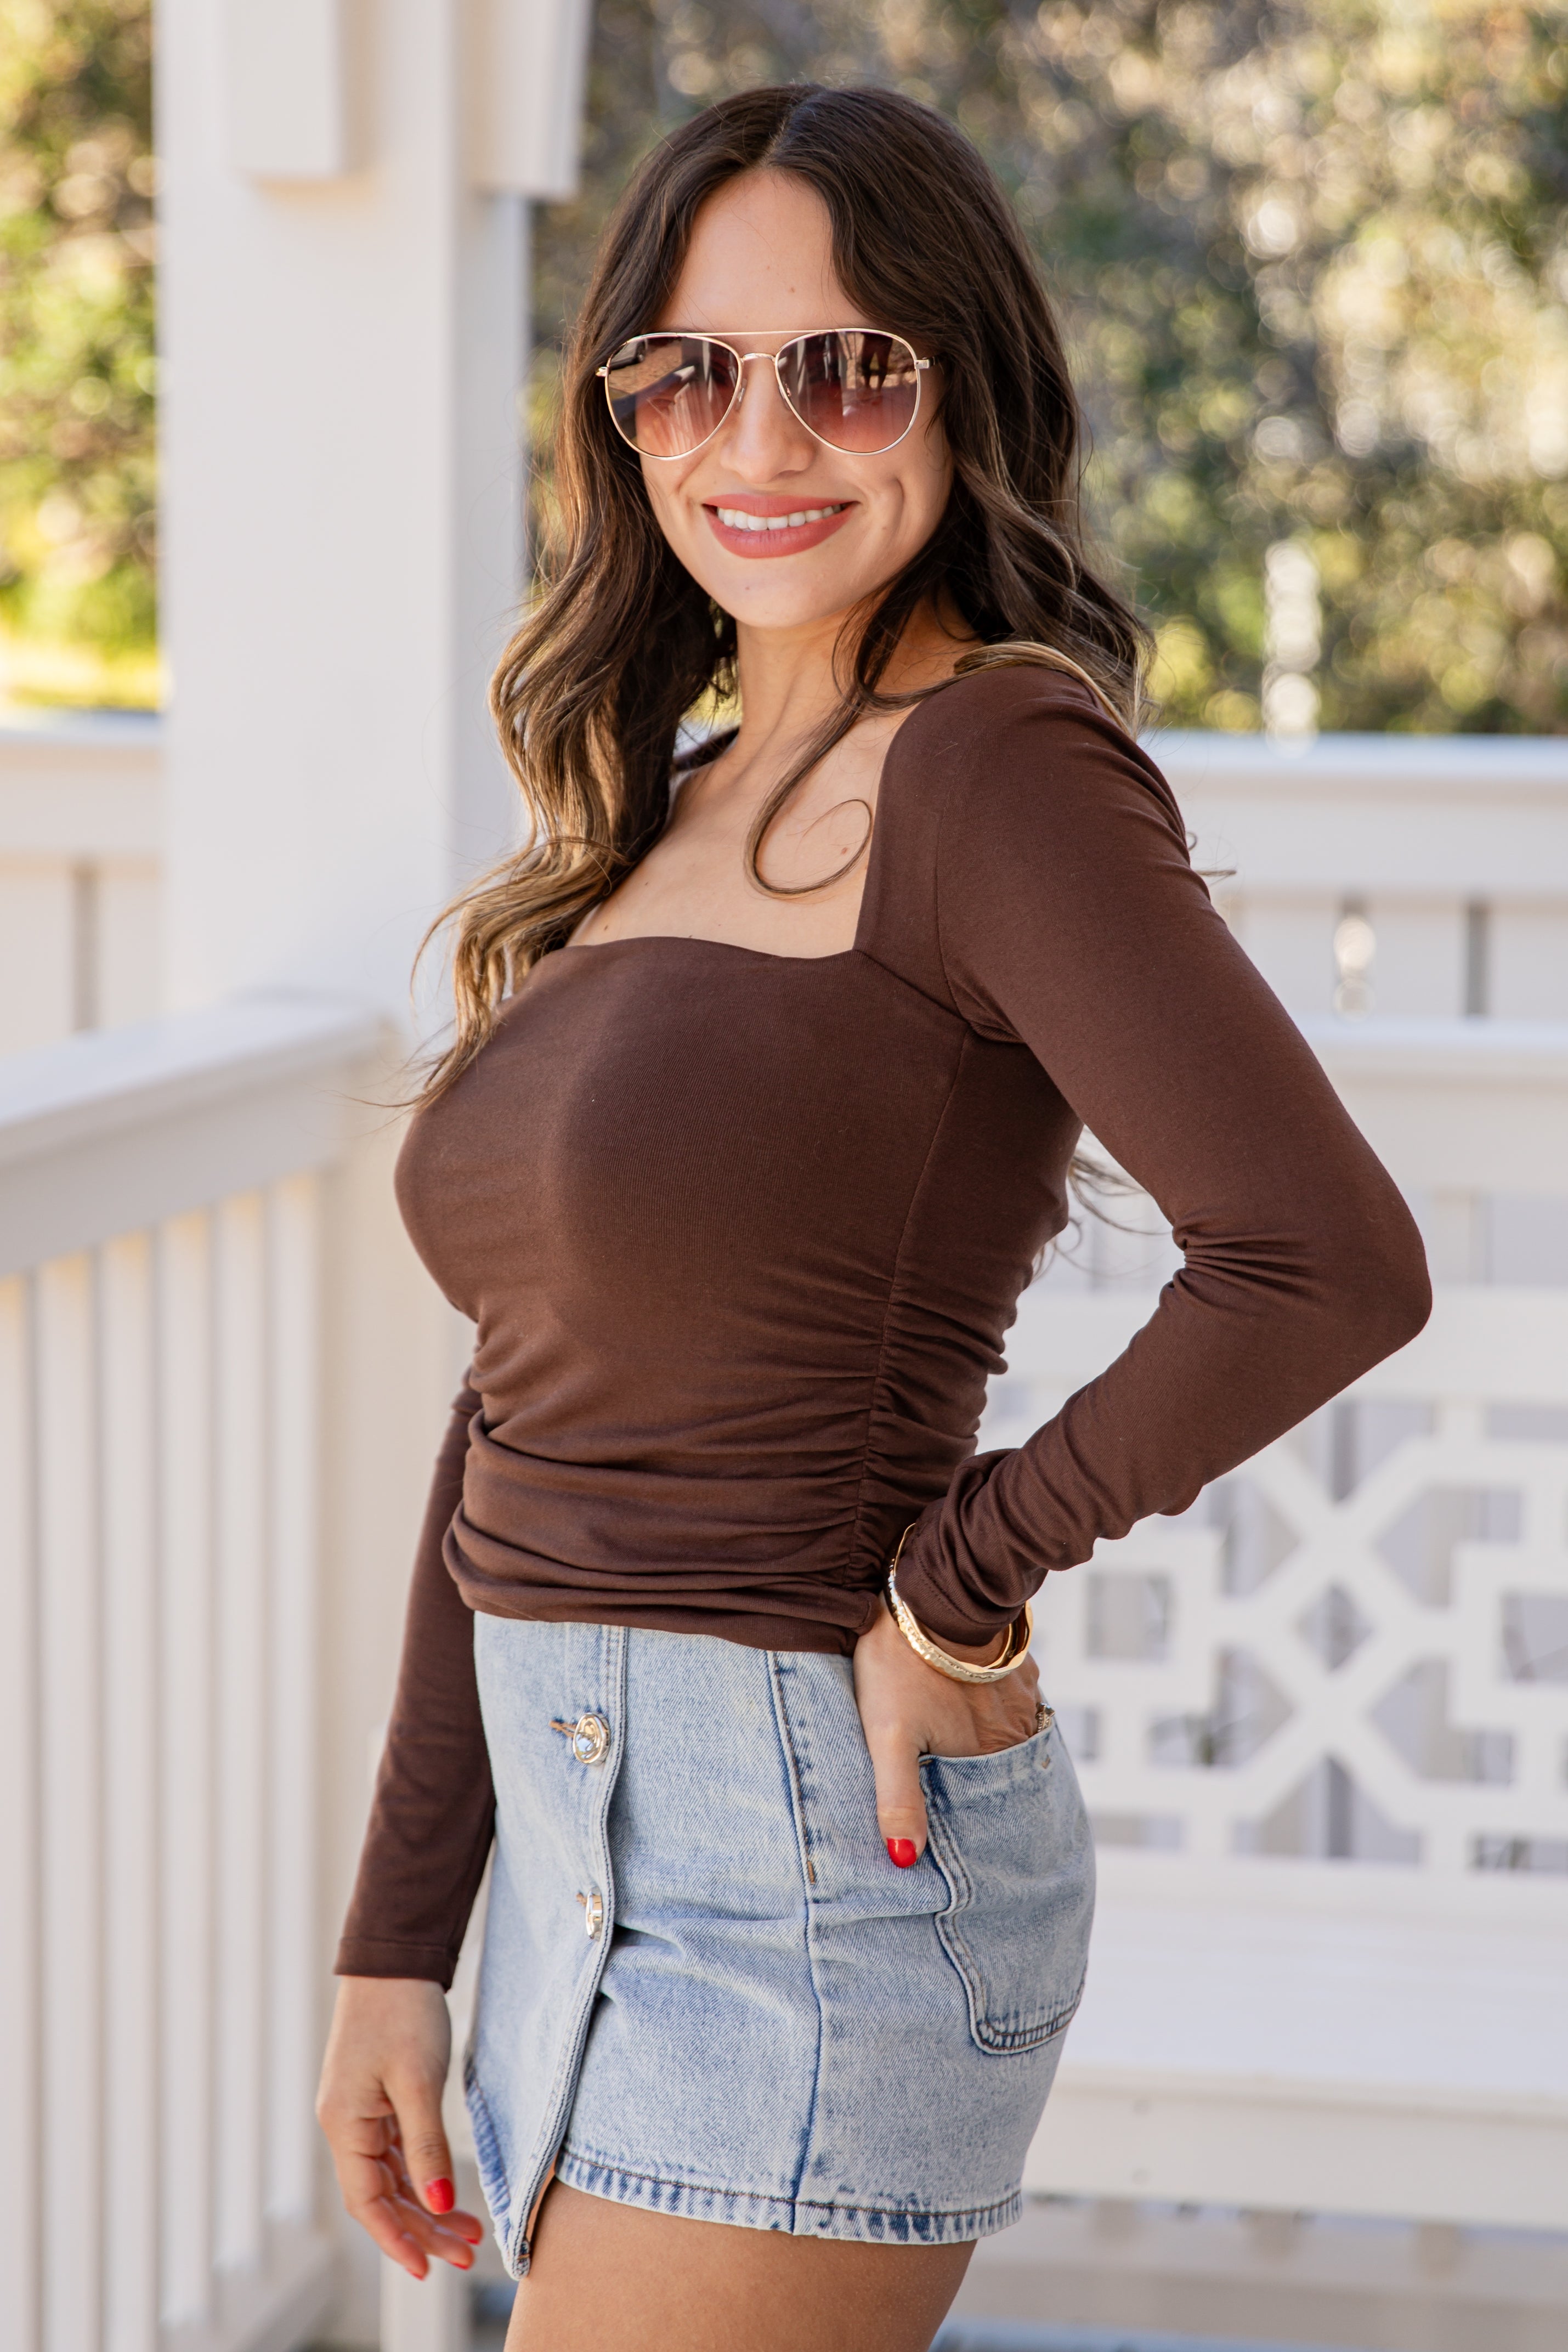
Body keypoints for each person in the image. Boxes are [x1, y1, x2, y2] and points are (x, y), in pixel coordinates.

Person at [315, 83, 1430, 2352]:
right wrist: (395, 1935)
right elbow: (513, 1418)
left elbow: (1323, 1257)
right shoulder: (675, 796)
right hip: (575, 1862)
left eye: (849, 363)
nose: (766, 430)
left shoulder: (998, 769)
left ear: (965, 388)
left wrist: (960, 1585)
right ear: (621, 415)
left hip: (810, 1866)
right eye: (692, 370)